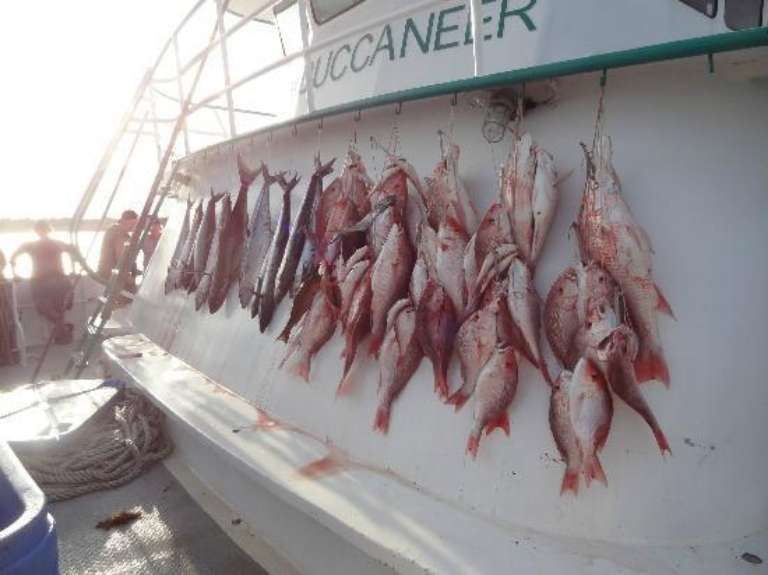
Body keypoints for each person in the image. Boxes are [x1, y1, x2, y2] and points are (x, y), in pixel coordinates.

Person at [10, 220, 82, 344]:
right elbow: (13, 258)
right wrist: (15, 273)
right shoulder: (33, 245)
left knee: (58, 309)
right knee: (51, 310)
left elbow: (13, 258)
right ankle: (64, 331)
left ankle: (62, 334)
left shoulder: (53, 244)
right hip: (46, 281)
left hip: (55, 280)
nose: (42, 231)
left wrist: (73, 269)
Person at [98, 209, 139, 289]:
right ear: (125, 221)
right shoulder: (120, 234)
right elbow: (120, 258)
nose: (134, 226)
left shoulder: (111, 230)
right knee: (133, 294)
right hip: (113, 276)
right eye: (133, 223)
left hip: (105, 273)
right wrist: (128, 278)